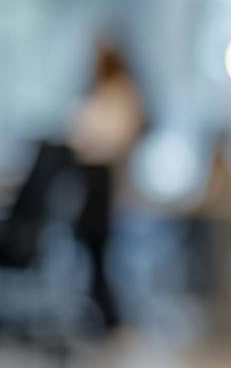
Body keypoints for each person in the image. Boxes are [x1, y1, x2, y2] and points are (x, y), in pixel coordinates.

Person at [67, 40, 148, 334]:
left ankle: (108, 314)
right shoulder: (99, 93)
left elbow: (115, 136)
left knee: (101, 250)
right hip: (90, 178)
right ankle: (101, 312)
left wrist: (88, 137)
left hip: (103, 179)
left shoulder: (122, 93)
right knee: (93, 251)